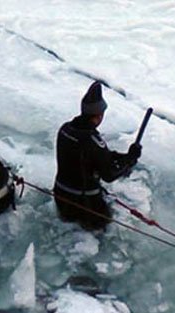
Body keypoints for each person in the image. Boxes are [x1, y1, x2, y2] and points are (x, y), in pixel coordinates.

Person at [54, 81, 142, 230]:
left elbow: (95, 156)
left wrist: (124, 156)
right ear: (99, 115)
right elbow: (109, 175)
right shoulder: (93, 140)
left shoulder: (65, 129)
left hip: (61, 196)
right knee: (102, 230)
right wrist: (130, 160)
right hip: (85, 204)